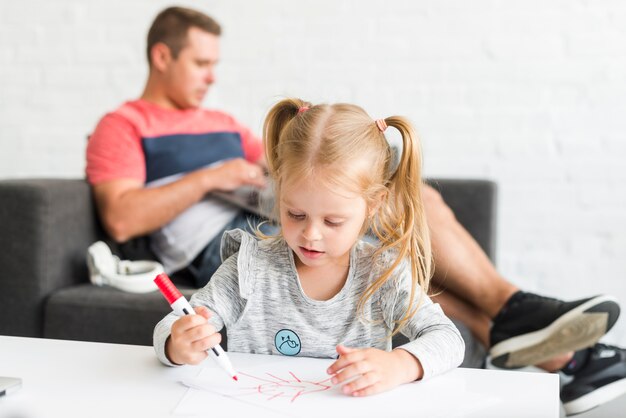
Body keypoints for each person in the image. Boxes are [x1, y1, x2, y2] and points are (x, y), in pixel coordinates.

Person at [85, 5, 626, 413]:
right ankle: (532, 329)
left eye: (215, 65)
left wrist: (402, 360)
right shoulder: (127, 126)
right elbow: (124, 216)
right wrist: (215, 177)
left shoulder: (225, 126)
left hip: (280, 209)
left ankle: (523, 325)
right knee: (377, 235)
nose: (211, 76)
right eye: (201, 63)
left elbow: (307, 165)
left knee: (407, 212)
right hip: (223, 236)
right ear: (163, 56)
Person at [154, 98, 465, 397]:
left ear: (373, 205)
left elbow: (449, 339)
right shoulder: (248, 267)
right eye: (296, 215)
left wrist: (400, 365)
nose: (311, 234)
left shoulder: (382, 273)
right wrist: (176, 343)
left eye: (332, 221)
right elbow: (174, 325)